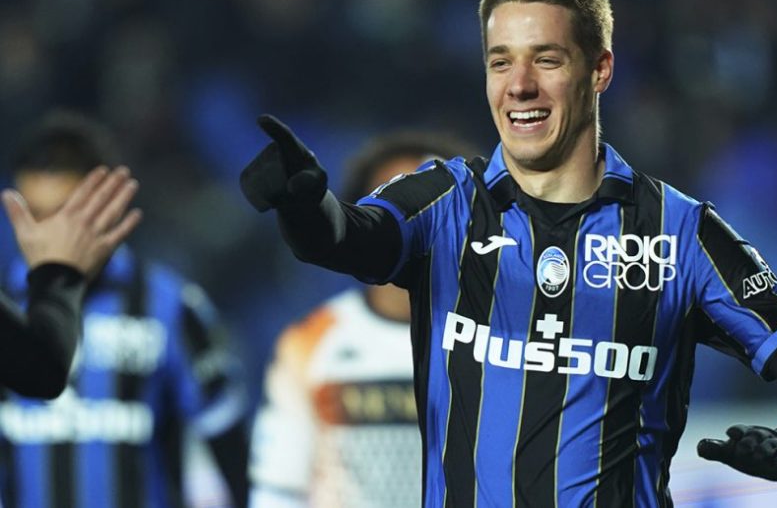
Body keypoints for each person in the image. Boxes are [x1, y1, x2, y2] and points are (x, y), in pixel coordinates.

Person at [240, 0, 777, 506]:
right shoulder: (444, 201)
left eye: (546, 59)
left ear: (600, 70)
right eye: (500, 62)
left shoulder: (679, 233)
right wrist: (302, 204)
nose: (519, 86)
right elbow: (345, 239)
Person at [0, 112, 249, 508]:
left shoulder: (171, 307)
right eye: (33, 215)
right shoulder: (7, 306)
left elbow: (229, 444)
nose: (46, 236)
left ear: (111, 205)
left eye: (64, 216)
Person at [248, 133, 473, 508]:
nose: (418, 220)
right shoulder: (311, 342)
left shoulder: (504, 339)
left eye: (436, 205)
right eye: (398, 205)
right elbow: (278, 490)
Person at [1, 165, 141, 399]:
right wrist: (59, 273)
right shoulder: (8, 287)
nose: (48, 231)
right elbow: (41, 370)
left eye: (62, 214)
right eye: (36, 213)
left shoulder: (166, 300)